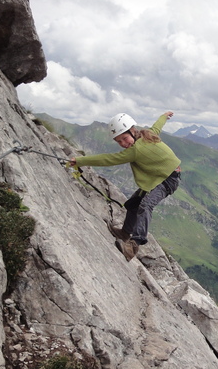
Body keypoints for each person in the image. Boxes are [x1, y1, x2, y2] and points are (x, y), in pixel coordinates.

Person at [69, 111, 181, 261]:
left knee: (145, 205)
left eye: (124, 138)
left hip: (168, 180)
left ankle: (133, 246)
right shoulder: (147, 135)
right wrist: (164, 116)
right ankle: (125, 232)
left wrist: (80, 160)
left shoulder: (136, 149)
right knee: (132, 204)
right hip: (159, 177)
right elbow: (157, 127)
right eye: (119, 141)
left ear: (132, 131)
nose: (123, 143)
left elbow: (108, 159)